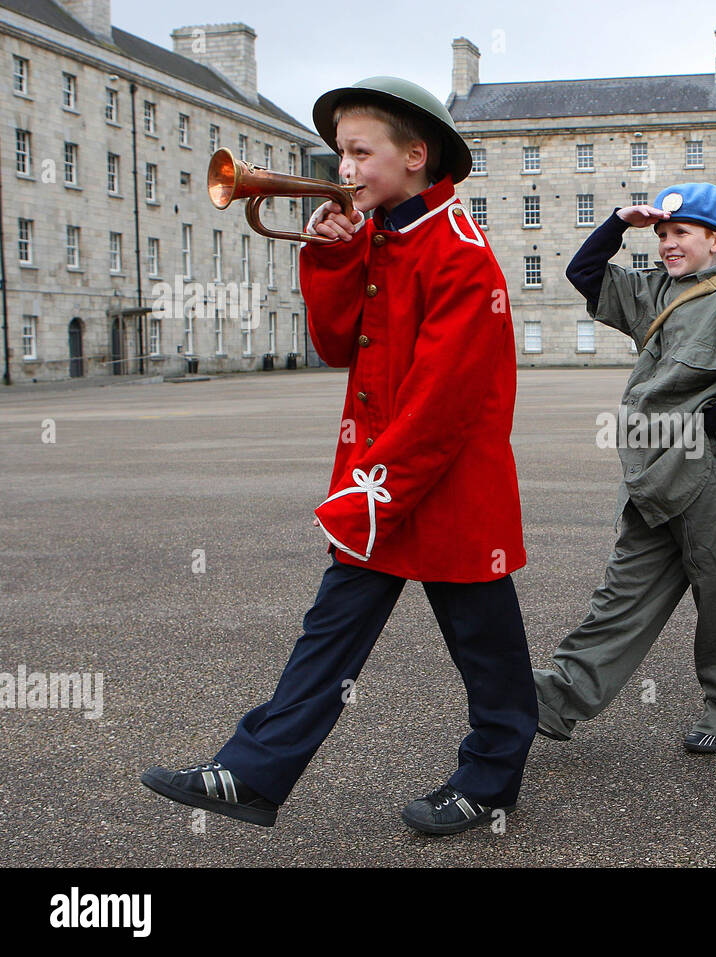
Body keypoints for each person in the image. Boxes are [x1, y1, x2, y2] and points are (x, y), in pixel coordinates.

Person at [141, 76, 537, 835]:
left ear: (417, 155)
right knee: (326, 637)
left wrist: (371, 491)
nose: (344, 167)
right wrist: (330, 260)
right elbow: (333, 346)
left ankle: (491, 780)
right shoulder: (383, 236)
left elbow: (441, 407)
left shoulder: (460, 252)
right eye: (341, 152)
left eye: (361, 151)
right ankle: (252, 773)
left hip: (440, 485)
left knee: (488, 649)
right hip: (384, 486)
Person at [532, 183, 716, 753]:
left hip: (712, 470)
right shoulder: (654, 292)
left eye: (683, 233)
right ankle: (557, 697)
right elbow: (585, 273)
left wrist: (700, 422)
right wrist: (621, 220)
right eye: (664, 235)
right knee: (625, 587)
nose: (669, 245)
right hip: (654, 468)